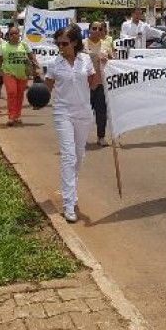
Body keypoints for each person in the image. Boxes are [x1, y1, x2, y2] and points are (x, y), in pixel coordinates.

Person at [44, 25, 99, 223]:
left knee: (78, 155)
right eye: (58, 43)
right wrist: (37, 98)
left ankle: (72, 191)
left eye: (64, 43)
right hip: (63, 113)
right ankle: (68, 203)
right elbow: (46, 89)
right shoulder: (54, 63)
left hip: (84, 113)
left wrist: (100, 65)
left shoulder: (85, 61)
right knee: (68, 156)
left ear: (75, 42)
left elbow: (93, 85)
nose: (61, 46)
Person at [0, 25, 41, 126]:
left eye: (16, 33)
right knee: (12, 92)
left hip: (22, 74)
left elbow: (32, 57)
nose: (14, 35)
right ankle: (11, 116)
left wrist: (36, 68)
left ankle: (17, 116)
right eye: (11, 34)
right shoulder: (4, 46)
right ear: (8, 35)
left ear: (19, 34)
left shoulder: (24, 45)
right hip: (8, 73)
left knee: (19, 95)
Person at [84, 20, 113, 146]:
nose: (96, 31)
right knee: (84, 112)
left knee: (101, 112)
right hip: (85, 84)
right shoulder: (81, 44)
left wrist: (108, 59)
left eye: (99, 29)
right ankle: (80, 137)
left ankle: (101, 137)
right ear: (89, 30)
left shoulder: (106, 45)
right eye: (94, 28)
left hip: (101, 83)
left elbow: (113, 61)